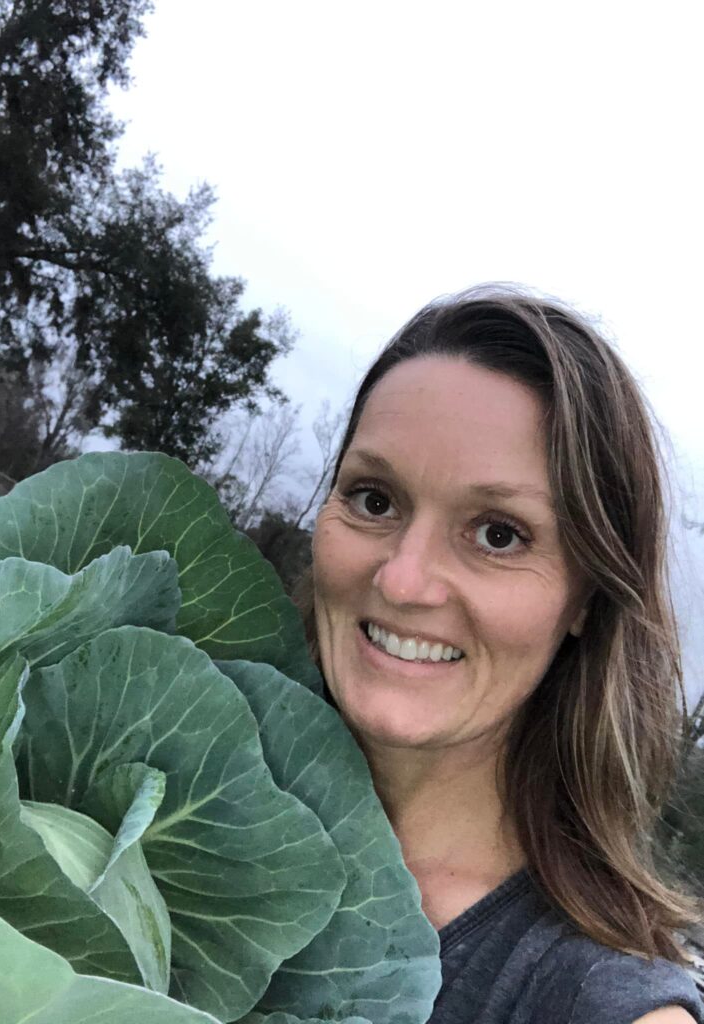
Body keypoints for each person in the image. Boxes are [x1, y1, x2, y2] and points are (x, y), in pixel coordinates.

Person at [301, 286, 704, 1023]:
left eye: (496, 534)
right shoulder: (131, 786)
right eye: (373, 499)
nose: (402, 578)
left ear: (587, 598)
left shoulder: (595, 1002)